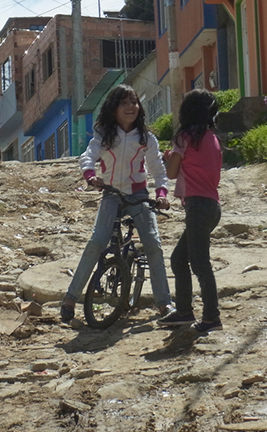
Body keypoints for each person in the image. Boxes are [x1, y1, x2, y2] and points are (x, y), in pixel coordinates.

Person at [60, 84, 173, 323]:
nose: (131, 107)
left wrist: (162, 194)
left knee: (153, 243)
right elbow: (88, 157)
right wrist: (90, 175)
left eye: (134, 102)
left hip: (139, 194)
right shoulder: (104, 135)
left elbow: (158, 170)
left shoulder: (146, 138)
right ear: (113, 108)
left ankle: (164, 304)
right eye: (124, 103)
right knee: (96, 243)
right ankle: (70, 300)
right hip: (111, 194)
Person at [157, 89, 223, 333]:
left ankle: (211, 317)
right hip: (212, 206)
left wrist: (169, 157)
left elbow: (172, 173)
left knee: (200, 264)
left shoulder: (184, 138)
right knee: (179, 259)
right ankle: (184, 312)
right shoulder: (212, 138)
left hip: (196, 206)